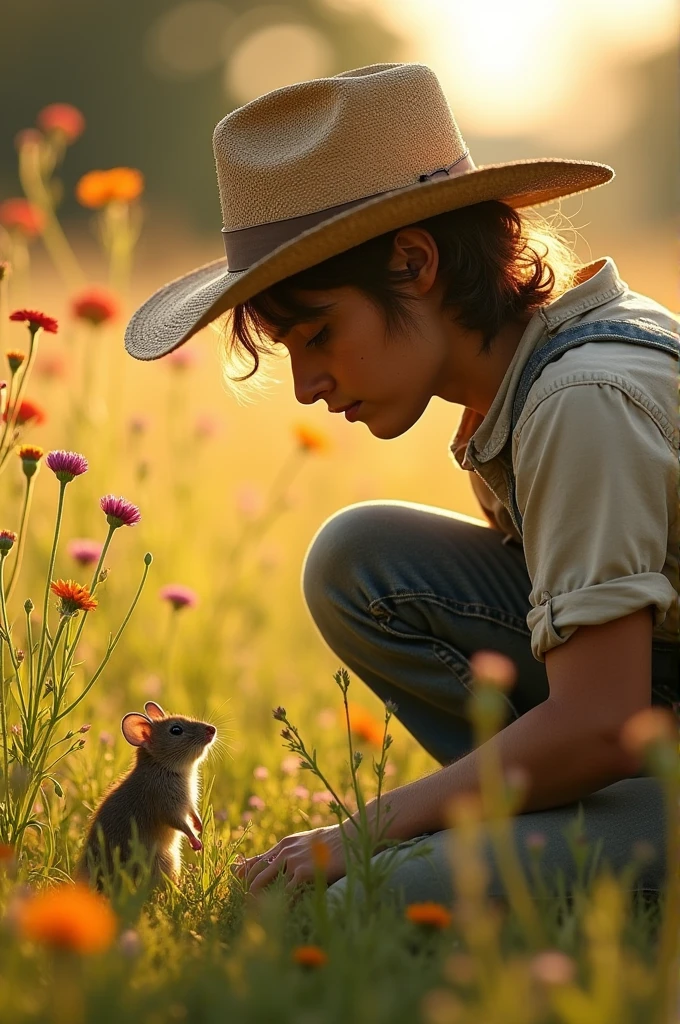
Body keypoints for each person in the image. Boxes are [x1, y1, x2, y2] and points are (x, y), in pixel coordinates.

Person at [124, 63, 679, 906]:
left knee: (358, 903)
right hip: (647, 715)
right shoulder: (531, 377)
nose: (307, 383)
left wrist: (366, 830)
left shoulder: (581, 401)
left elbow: (603, 722)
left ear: (415, 261)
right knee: (363, 558)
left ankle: (568, 839)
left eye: (319, 332)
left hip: (627, 734)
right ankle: (543, 824)